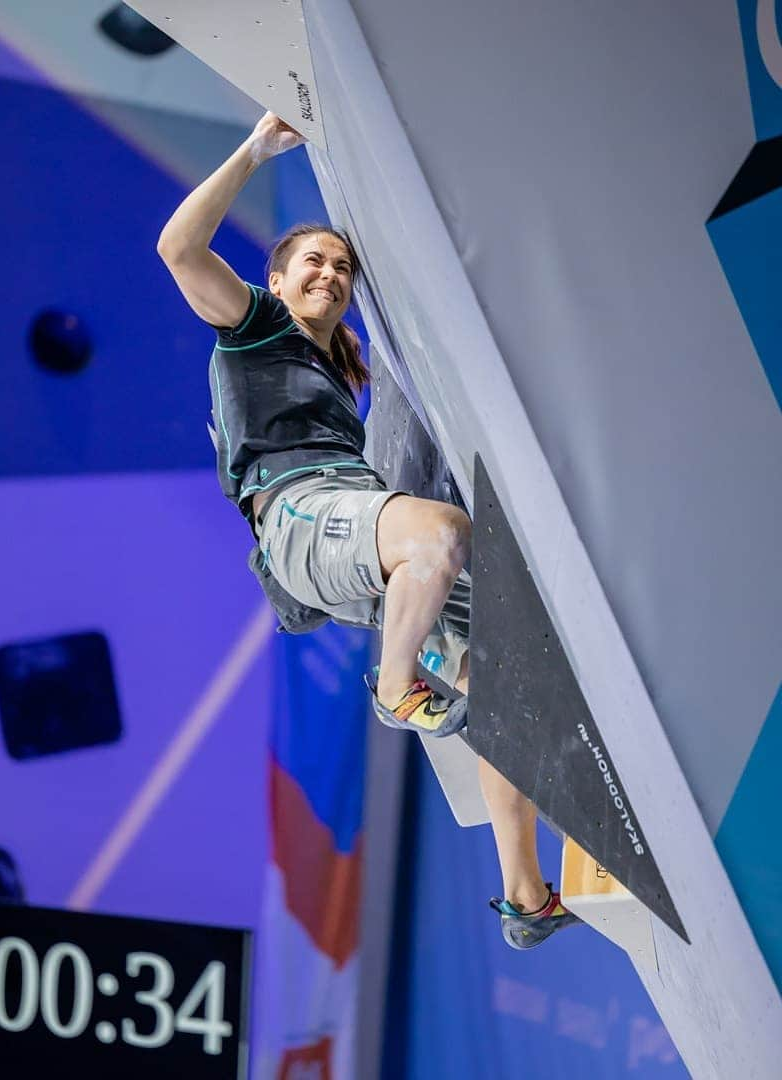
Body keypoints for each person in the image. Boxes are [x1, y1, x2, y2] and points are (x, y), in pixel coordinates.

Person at [157, 111, 578, 949]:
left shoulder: (334, 360)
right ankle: (394, 688)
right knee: (442, 533)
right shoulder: (253, 329)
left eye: (343, 267)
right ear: (273, 282)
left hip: (352, 546)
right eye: (314, 260)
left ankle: (526, 897)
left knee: (505, 687)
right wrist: (254, 151)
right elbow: (178, 249)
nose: (332, 273)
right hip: (307, 520)